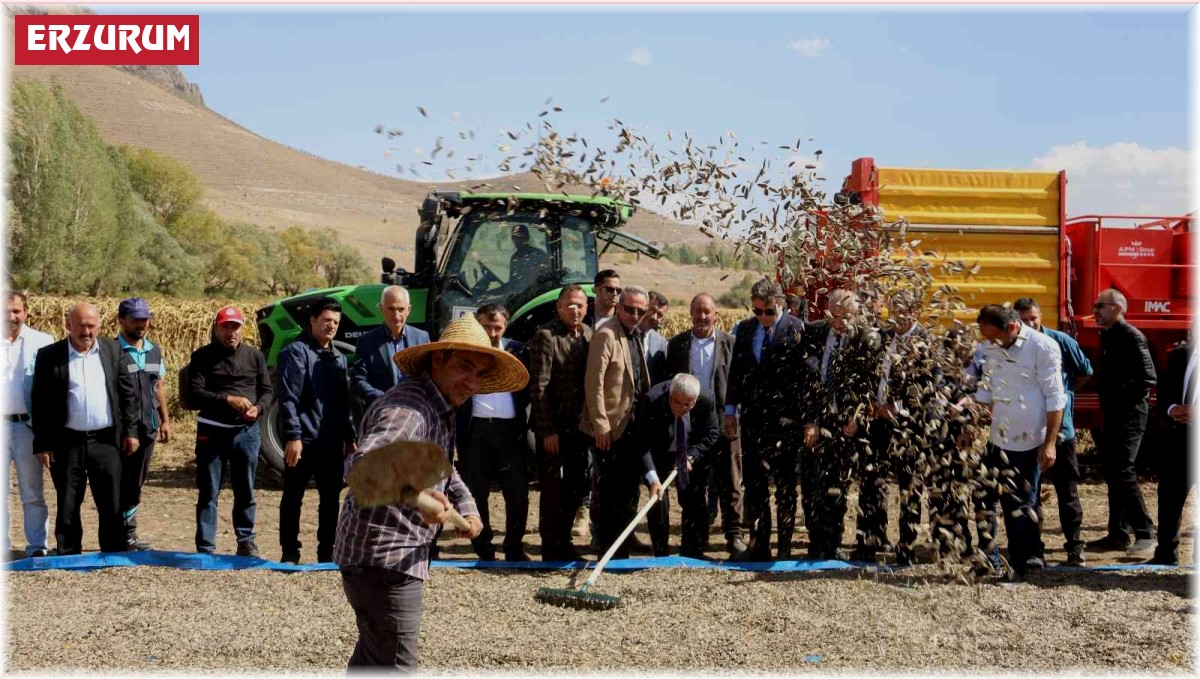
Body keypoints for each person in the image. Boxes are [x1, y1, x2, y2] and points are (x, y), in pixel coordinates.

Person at [335, 316, 515, 671]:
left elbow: (444, 469)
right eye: (465, 367)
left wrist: (469, 508)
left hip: (384, 558)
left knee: (373, 661)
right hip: (382, 560)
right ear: (438, 360)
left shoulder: (439, 405)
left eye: (479, 373)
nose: (472, 382)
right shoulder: (409, 411)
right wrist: (418, 499)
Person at [31, 302, 139, 555]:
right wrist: (43, 443)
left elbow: (128, 396)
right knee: (68, 500)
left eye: (91, 326)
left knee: (111, 500)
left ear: (99, 326)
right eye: (80, 326)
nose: (86, 331)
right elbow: (40, 402)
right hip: (66, 441)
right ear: (68, 325)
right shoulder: (49, 355)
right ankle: (68, 552)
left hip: (106, 441)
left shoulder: (113, 351)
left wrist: (131, 432)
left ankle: (113, 550)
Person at [974, 304, 1066, 579]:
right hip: (997, 438)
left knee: (1020, 506)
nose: (988, 342)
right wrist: (973, 418)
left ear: (1012, 328)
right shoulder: (992, 347)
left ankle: (1021, 565)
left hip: (1028, 441)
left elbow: (1055, 398)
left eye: (993, 336)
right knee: (982, 498)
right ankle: (987, 559)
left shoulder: (1043, 347)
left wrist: (1049, 443)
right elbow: (987, 386)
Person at [797, 289, 881, 561]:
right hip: (822, 420)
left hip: (852, 422)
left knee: (847, 485)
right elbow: (807, 381)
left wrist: (856, 417)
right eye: (839, 315)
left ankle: (850, 544)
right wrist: (811, 420)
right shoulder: (813, 333)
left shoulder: (864, 337)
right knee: (820, 484)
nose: (844, 322)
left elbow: (870, 380)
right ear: (828, 311)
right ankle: (822, 542)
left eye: (850, 316)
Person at [726, 278, 805, 561]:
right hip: (753, 421)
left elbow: (804, 380)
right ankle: (759, 545)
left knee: (784, 487)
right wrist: (730, 410)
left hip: (785, 423)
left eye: (768, 311)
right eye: (757, 311)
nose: (763, 317)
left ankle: (784, 548)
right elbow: (736, 372)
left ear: (781, 304)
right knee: (756, 486)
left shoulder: (797, 330)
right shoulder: (746, 330)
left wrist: (804, 419)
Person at [186, 305, 274, 557]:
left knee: (245, 489)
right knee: (209, 491)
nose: (231, 332)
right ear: (217, 328)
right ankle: (206, 547)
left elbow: (267, 391)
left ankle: (246, 541)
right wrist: (227, 399)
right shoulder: (202, 356)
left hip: (246, 433)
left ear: (242, 329)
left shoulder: (255, 356)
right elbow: (195, 393)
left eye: (235, 327)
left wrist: (258, 408)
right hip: (212, 432)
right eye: (226, 327)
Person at [276, 298, 357, 564]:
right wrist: (293, 436)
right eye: (326, 321)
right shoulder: (295, 352)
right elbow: (288, 398)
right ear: (312, 321)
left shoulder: (339, 359)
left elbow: (343, 402)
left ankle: (327, 552)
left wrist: (349, 438)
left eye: (335, 322)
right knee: (293, 497)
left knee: (331, 499)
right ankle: (290, 552)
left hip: (331, 442)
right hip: (303, 442)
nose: (331, 326)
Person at [666, 292, 747, 558]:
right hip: (691, 427)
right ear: (690, 314)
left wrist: (734, 413)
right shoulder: (676, 345)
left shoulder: (731, 344)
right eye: (697, 312)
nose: (702, 317)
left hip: (725, 422)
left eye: (707, 312)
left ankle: (734, 538)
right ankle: (693, 541)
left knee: (730, 483)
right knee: (690, 485)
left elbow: (739, 382)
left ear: (715, 315)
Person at [1014, 297, 1092, 567]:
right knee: (1030, 492)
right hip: (1028, 433)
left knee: (1067, 491)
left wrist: (1064, 395)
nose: (1030, 323)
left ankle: (1075, 547)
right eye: (1024, 320)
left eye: (1034, 318)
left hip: (1061, 431)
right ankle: (1036, 550)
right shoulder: (1013, 348)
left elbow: (1084, 371)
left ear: (1040, 316)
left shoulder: (1060, 342)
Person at [856, 289, 930, 565]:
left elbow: (927, 390)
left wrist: (895, 408)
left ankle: (906, 547)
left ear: (915, 312)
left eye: (904, 311)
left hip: (910, 428)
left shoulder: (926, 342)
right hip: (877, 425)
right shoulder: (883, 338)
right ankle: (871, 541)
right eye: (894, 310)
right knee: (873, 483)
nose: (898, 316)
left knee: (909, 487)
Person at [580, 286, 654, 560]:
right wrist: (600, 424)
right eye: (630, 309)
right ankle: (610, 548)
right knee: (610, 490)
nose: (635, 315)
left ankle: (624, 540)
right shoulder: (606, 334)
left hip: (632, 424)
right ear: (619, 307)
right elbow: (594, 382)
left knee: (628, 488)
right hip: (610, 427)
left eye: (640, 311)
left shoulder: (635, 334)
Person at [456, 303, 531, 561]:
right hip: (476, 429)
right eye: (487, 326)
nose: (493, 332)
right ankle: (484, 548)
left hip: (510, 430)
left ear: (505, 326)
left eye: (497, 327)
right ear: (478, 324)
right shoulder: (466, 352)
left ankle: (514, 547)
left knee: (517, 490)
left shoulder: (518, 351)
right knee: (476, 491)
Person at [1087, 288, 1158, 556]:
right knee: (1114, 472)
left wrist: (1120, 401)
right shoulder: (1110, 336)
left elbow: (1147, 379)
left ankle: (1146, 532)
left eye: (1100, 306)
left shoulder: (1132, 337)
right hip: (1114, 415)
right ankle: (1118, 534)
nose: (1095, 311)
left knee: (1122, 470)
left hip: (1129, 415)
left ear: (1117, 308)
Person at [527, 286, 593, 561]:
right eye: (569, 305)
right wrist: (547, 431)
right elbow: (539, 387)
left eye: (579, 305)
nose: (575, 310)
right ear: (558, 307)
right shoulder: (546, 336)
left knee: (576, 487)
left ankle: (565, 542)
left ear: (586, 309)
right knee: (552, 490)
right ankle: (550, 546)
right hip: (554, 427)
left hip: (580, 428)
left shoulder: (589, 335)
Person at [638, 374, 719, 558]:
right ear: (669, 396)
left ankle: (691, 551)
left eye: (686, 405)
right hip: (659, 451)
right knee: (658, 500)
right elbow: (642, 442)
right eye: (675, 402)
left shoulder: (707, 400)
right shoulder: (652, 400)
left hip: (690, 449)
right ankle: (661, 553)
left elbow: (712, 433)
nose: (680, 408)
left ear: (695, 400)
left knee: (694, 497)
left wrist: (691, 457)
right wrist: (653, 477)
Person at [113, 297, 171, 552]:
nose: (141, 323)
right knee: (118, 482)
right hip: (119, 429)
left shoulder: (154, 350)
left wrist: (166, 420)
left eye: (144, 318)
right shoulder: (110, 350)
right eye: (135, 318)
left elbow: (158, 386)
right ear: (121, 320)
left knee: (136, 482)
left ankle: (129, 533)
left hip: (147, 427)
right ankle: (116, 534)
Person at [3, 291, 54, 557]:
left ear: (26, 312)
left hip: (28, 427)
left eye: (16, 311)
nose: (11, 316)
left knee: (32, 492)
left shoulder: (42, 342)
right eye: (6, 310)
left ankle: (37, 547)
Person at [577, 268, 621, 539]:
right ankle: (583, 514)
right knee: (585, 467)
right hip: (583, 407)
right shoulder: (583, 323)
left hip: (613, 410)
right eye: (609, 289)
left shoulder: (624, 323)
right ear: (596, 289)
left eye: (618, 290)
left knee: (611, 473)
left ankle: (608, 526)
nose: (614, 295)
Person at [1147, 339, 1195, 565]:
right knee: (1169, 498)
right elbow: (1164, 389)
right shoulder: (1179, 356)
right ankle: (1166, 554)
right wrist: (1172, 408)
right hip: (1179, 439)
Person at [351, 286, 431, 409]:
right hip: (381, 411)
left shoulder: (421, 338)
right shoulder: (367, 341)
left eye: (401, 309)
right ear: (381, 309)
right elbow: (358, 380)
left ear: (409, 310)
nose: (396, 315)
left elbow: (430, 377)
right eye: (391, 309)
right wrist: (384, 398)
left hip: (415, 410)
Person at [640, 290, 671, 384]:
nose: (654, 317)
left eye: (659, 315)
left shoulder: (661, 343)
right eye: (652, 310)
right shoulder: (624, 333)